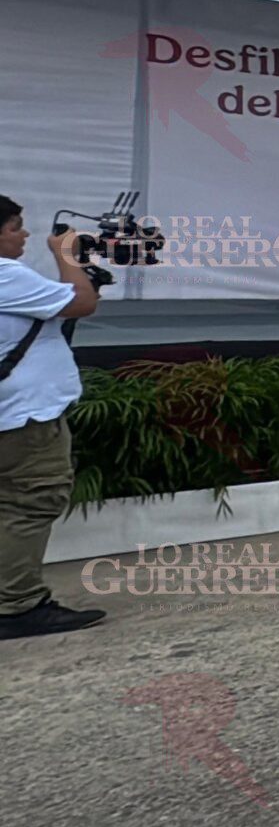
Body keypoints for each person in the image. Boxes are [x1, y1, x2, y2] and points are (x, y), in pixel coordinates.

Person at [0, 197, 106, 640]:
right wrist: (66, 255)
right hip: (24, 418)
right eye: (15, 227)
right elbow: (80, 302)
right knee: (31, 500)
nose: (23, 235)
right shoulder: (5, 275)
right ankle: (16, 606)